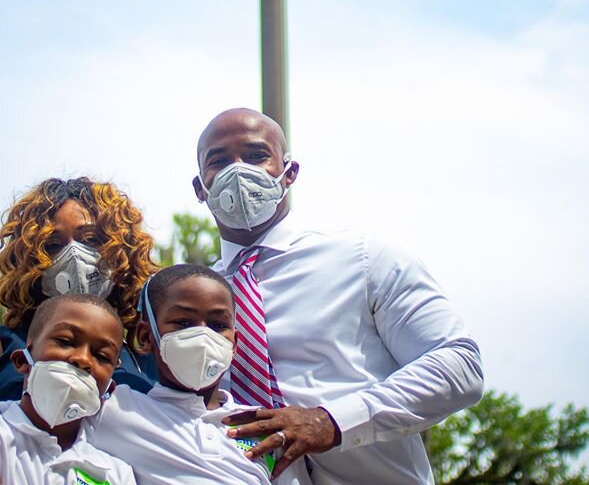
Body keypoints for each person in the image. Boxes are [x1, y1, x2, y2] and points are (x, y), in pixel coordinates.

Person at [192, 107, 485, 484]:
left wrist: (334, 421)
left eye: (255, 156)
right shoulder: (185, 305)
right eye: (219, 161)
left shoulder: (364, 259)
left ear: (288, 173)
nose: (238, 171)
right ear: (201, 188)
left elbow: (459, 366)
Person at [0, 265, 312, 485]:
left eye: (217, 324)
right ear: (145, 336)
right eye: (182, 323)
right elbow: (27, 406)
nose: (201, 335)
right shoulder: (114, 409)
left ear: (236, 341)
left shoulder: (265, 426)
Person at [0, 177, 158, 485]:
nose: (74, 256)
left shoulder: (149, 358)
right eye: (53, 245)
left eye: (92, 240)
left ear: (121, 249)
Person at [0, 293, 137, 485]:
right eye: (65, 341)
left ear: (109, 390)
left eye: (101, 356)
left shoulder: (117, 474)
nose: (82, 359)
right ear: (21, 360)